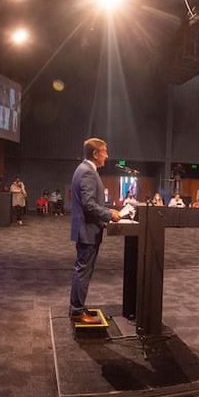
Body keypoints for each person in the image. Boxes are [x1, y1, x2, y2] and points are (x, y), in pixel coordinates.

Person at [69, 138, 121, 325]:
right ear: (95, 154)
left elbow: (92, 203)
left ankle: (78, 306)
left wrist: (108, 210)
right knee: (83, 271)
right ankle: (77, 311)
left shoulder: (84, 170)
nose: (107, 155)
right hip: (87, 231)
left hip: (87, 229)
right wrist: (109, 214)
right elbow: (89, 205)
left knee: (82, 270)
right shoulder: (88, 173)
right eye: (105, 151)